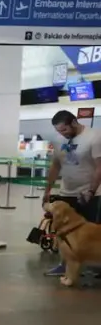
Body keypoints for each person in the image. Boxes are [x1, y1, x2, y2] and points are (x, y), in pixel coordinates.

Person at [43, 110, 101, 276]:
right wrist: (48, 189)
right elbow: (56, 166)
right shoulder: (59, 139)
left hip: (90, 193)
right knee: (64, 232)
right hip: (66, 192)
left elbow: (99, 167)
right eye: (59, 131)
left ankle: (93, 266)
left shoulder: (94, 137)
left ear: (74, 123)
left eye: (64, 130)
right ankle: (65, 265)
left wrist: (91, 190)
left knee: (90, 233)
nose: (62, 134)